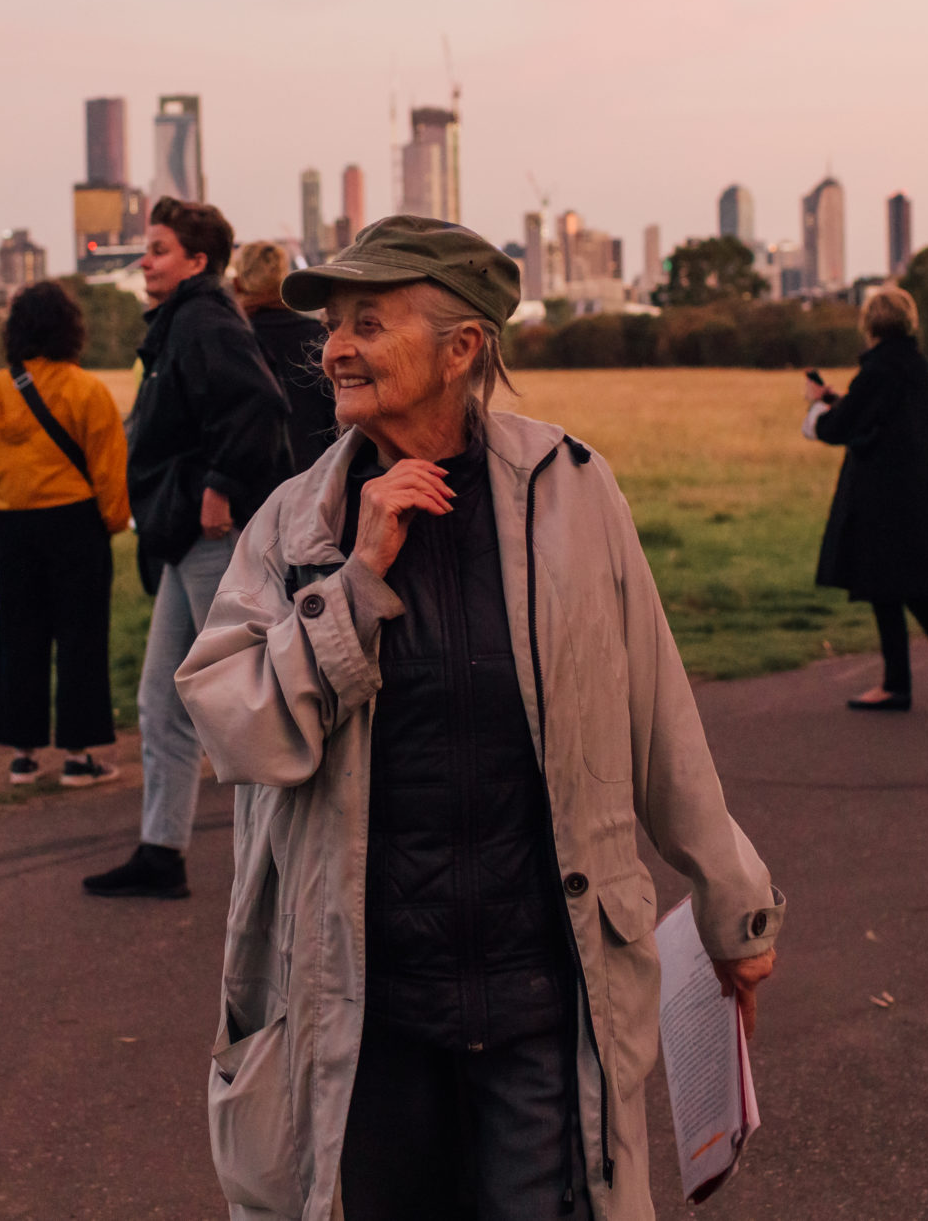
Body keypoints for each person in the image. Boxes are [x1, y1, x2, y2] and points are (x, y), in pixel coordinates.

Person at [178, 216, 783, 1221]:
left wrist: (734, 904)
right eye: (332, 326)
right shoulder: (294, 528)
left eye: (368, 322)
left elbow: (657, 717)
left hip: (539, 1010)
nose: (334, 347)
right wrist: (353, 582)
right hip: (367, 1024)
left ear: (462, 348)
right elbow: (232, 729)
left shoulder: (572, 491)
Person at [82, 199, 286, 901]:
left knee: (239, 703)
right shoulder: (182, 321)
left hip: (209, 540)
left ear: (196, 262)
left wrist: (220, 487)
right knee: (164, 699)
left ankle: (283, 863)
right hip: (183, 538)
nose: (145, 259)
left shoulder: (204, 318)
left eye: (159, 248)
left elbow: (258, 403)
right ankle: (161, 852)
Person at [0, 280, 132, 789]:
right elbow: (109, 467)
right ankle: (79, 757)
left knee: (19, 635)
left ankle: (22, 754)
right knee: (81, 637)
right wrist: (114, 521)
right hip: (77, 524)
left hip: (14, 527)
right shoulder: (87, 390)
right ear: (70, 329)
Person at [805, 284, 928, 713]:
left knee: (884, 590)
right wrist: (840, 399)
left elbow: (841, 429)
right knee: (920, 594)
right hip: (918, 497)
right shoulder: (916, 368)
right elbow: (881, 415)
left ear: (869, 325)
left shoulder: (879, 371)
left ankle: (896, 685)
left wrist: (817, 407)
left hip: (881, 499)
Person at [230, 240, 336, 481]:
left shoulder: (232, 342)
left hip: (249, 490)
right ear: (284, 283)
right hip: (315, 481)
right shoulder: (319, 338)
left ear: (237, 284)